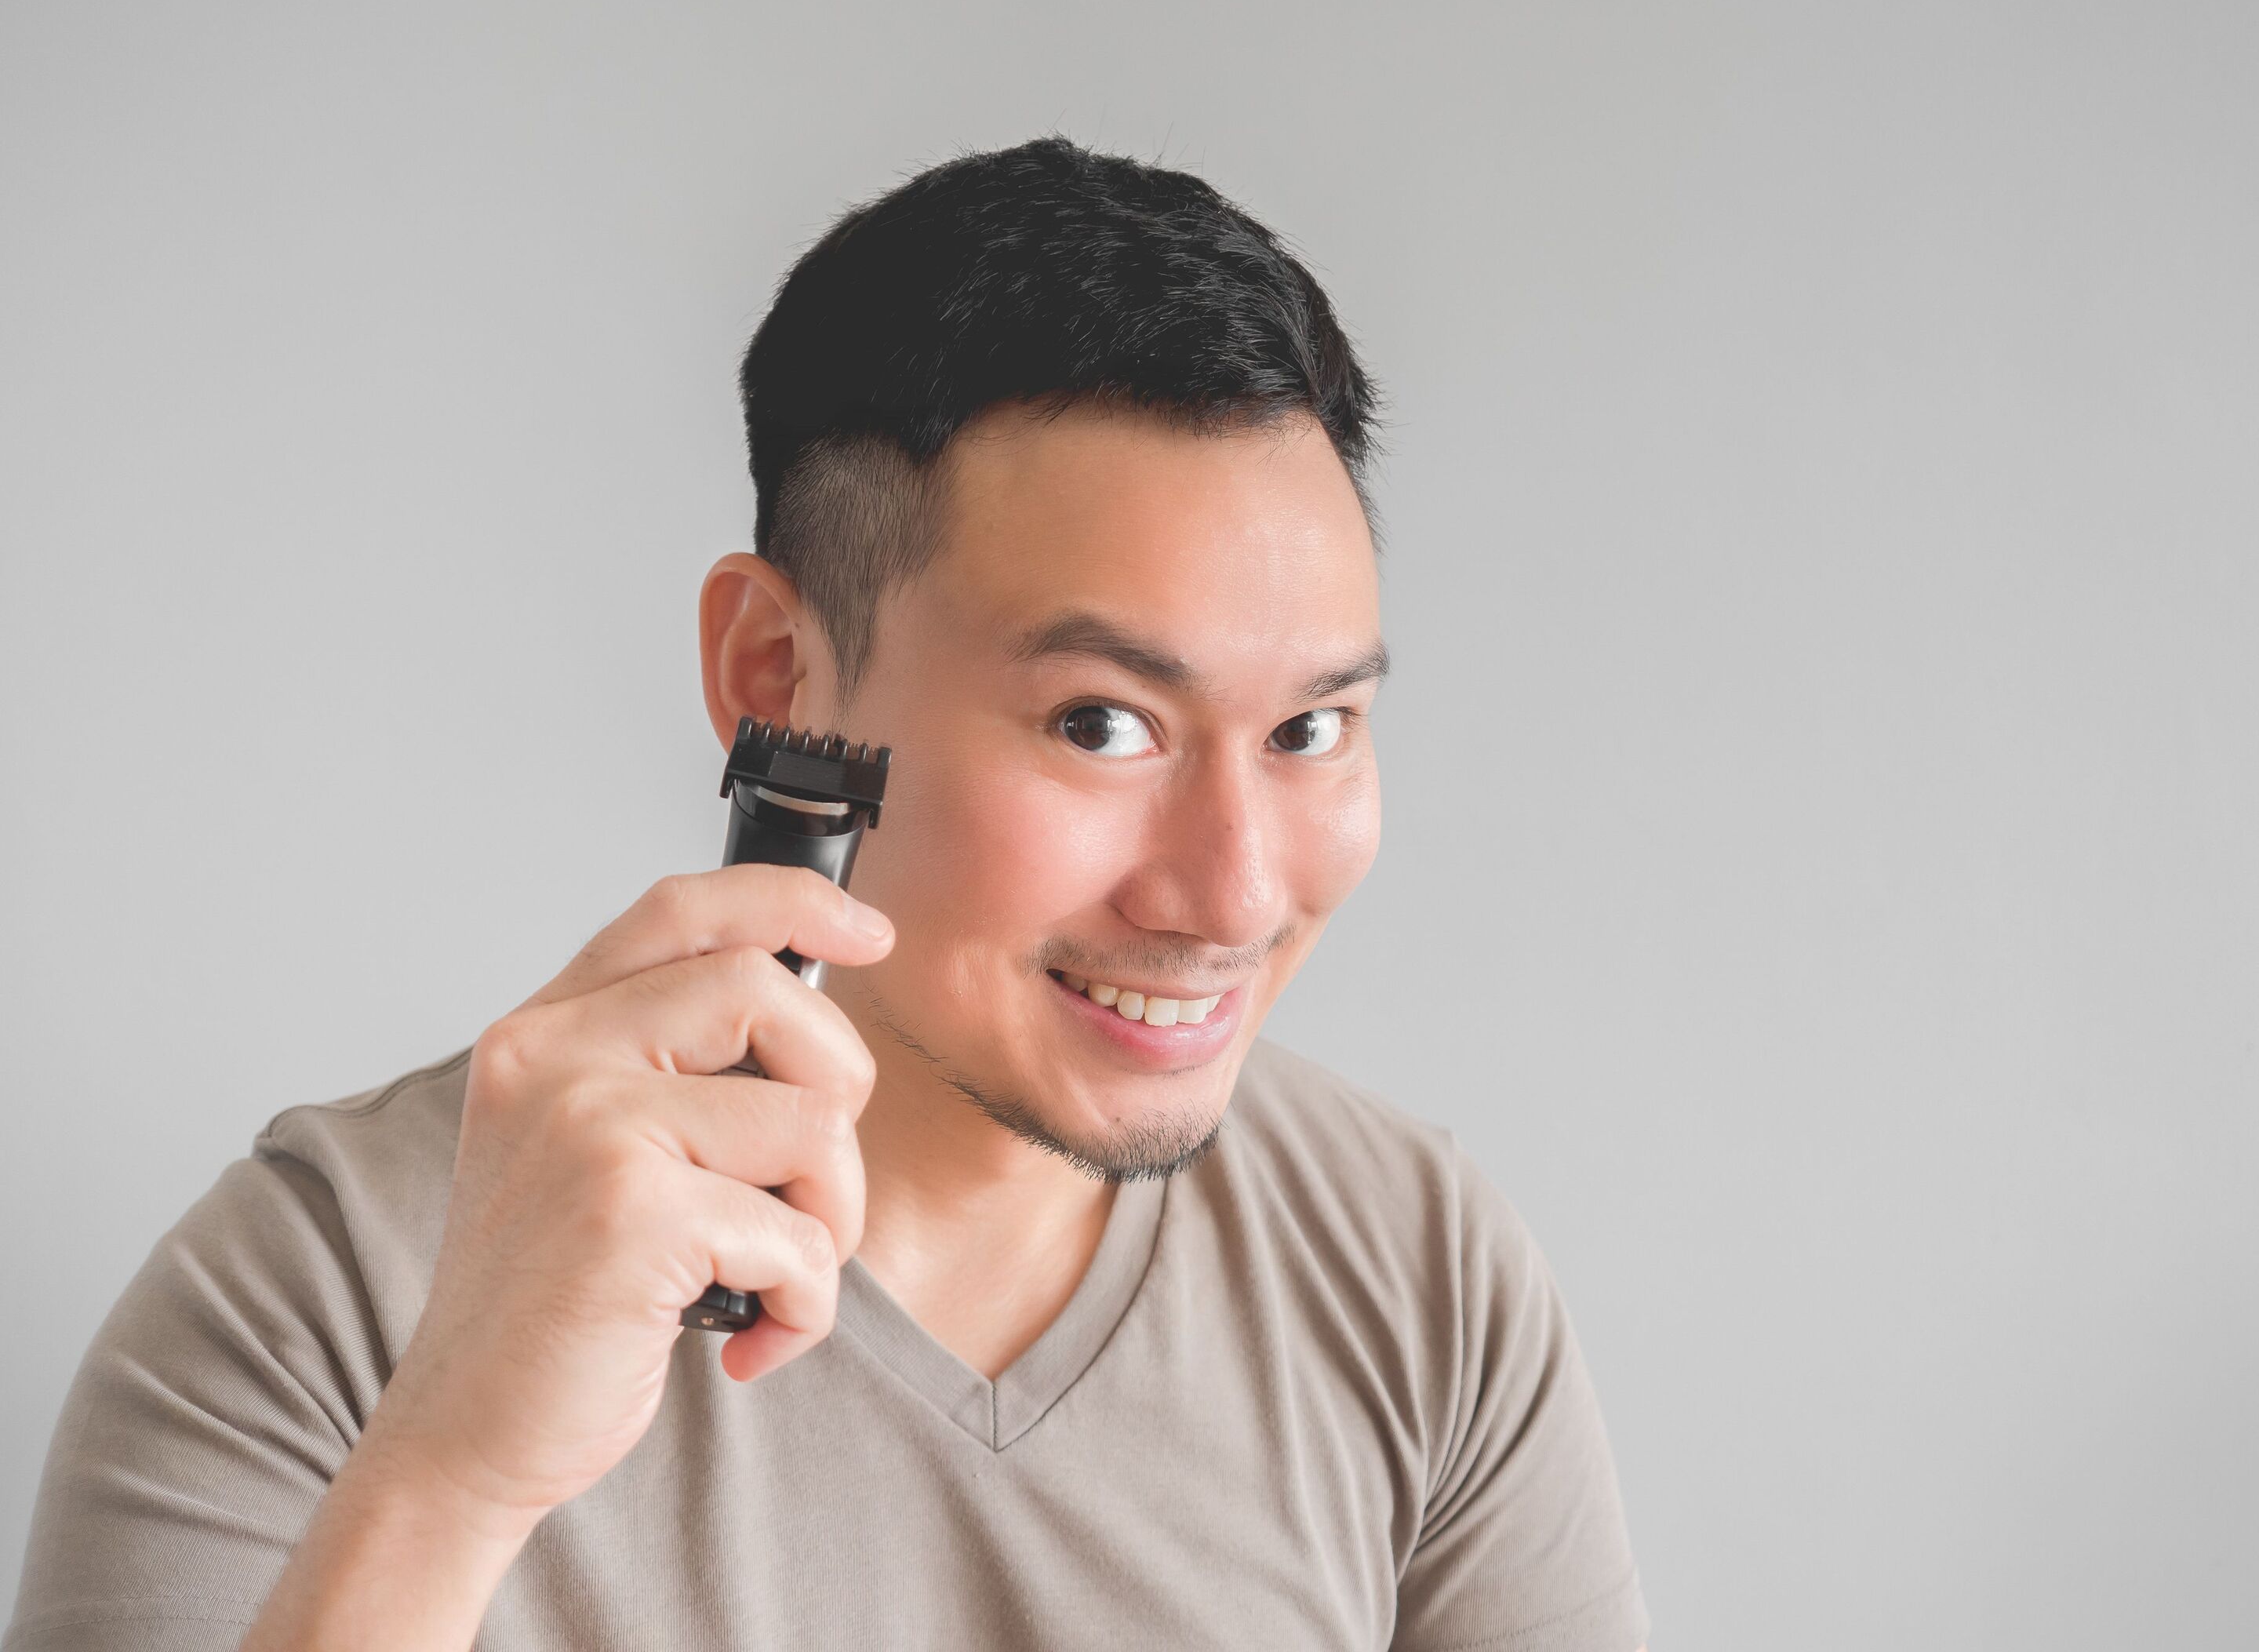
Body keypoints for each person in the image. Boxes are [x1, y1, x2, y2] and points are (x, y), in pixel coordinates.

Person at [5, 135, 1650, 1652]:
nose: (1234, 888)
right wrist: (451, 1478)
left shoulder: (1419, 1267)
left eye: (1310, 729)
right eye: (1102, 724)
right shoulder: (321, 1292)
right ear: (779, 676)